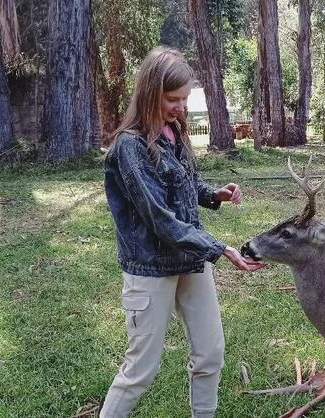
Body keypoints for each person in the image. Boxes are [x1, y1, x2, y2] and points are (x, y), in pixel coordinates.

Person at [101, 46, 265, 418]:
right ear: (149, 93)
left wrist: (213, 194)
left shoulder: (174, 130)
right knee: (141, 371)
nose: (181, 107)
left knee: (210, 353)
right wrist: (222, 248)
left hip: (190, 259)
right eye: (173, 99)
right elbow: (160, 218)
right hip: (150, 269)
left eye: (185, 98)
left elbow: (183, 182)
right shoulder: (129, 147)